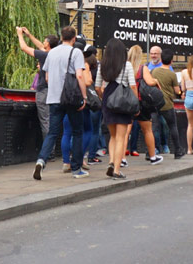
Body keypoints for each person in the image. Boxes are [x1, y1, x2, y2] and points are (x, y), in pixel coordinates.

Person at [32, 26, 90, 181]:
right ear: (74, 38)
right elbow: (79, 76)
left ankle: (41, 161)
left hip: (53, 98)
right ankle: (76, 169)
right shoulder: (76, 52)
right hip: (70, 99)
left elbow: (47, 78)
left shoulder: (52, 53)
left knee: (52, 133)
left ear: (61, 37)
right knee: (77, 132)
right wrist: (84, 96)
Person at [101, 40, 134, 179]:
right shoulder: (127, 65)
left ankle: (111, 162)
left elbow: (98, 86)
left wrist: (105, 99)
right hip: (123, 100)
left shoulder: (103, 66)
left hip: (108, 98)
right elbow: (132, 86)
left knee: (113, 136)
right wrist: (135, 103)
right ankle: (116, 169)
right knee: (121, 137)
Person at [148, 48, 184, 159]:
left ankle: (150, 151)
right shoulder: (172, 74)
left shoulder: (154, 71)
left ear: (161, 59)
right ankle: (177, 151)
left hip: (154, 103)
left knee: (153, 128)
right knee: (172, 126)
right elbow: (177, 90)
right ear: (171, 61)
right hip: (167, 104)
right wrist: (180, 92)